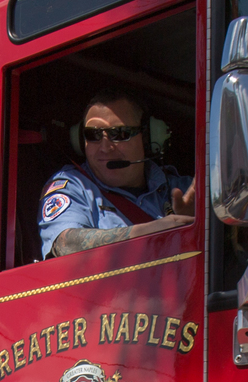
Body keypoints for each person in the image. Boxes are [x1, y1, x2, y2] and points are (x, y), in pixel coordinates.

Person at [38, 89, 197, 258]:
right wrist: (147, 232)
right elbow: (64, 244)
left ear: (148, 138)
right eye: (93, 135)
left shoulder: (185, 189)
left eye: (120, 134)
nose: (105, 148)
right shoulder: (73, 186)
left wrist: (199, 225)